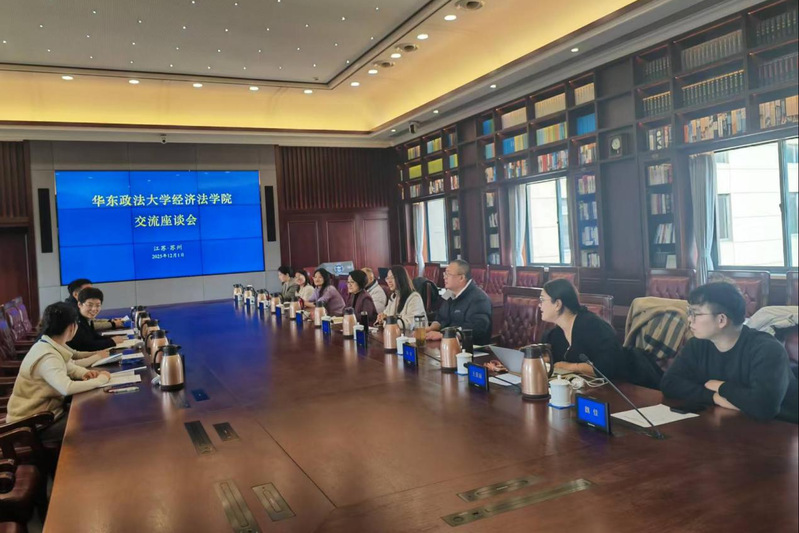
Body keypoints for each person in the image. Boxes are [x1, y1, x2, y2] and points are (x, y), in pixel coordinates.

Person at [661, 282, 798, 423]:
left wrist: (720, 386)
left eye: (695, 313)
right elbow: (669, 383)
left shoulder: (767, 349)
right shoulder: (697, 344)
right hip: (728, 422)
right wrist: (714, 397)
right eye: (690, 312)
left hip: (781, 427)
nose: (690, 319)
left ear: (721, 320)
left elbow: (764, 407)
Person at [6, 302, 111, 442]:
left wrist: (83, 373)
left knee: (91, 415)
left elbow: (68, 366)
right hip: (33, 426)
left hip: (45, 416)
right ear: (72, 327)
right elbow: (66, 388)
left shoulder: (48, 345)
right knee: (92, 422)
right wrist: (100, 380)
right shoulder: (47, 356)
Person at [539, 279, 625, 379]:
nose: (539, 305)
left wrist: (569, 367)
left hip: (620, 383)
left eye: (542, 300)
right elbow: (553, 360)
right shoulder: (555, 333)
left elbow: (607, 367)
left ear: (557, 304)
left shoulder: (593, 326)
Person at [425, 260, 492, 345]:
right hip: (446, 343)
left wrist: (444, 335)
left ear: (461, 278)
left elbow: (477, 328)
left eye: (448, 274)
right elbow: (440, 316)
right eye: (445, 274)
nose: (444, 277)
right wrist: (431, 328)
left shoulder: (479, 298)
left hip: (469, 347)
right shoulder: (448, 293)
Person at [67, 287, 127, 352]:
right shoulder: (75, 321)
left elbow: (94, 337)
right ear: (79, 304)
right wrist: (111, 341)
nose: (94, 309)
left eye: (98, 305)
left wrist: (112, 338)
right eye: (90, 305)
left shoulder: (86, 318)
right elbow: (85, 346)